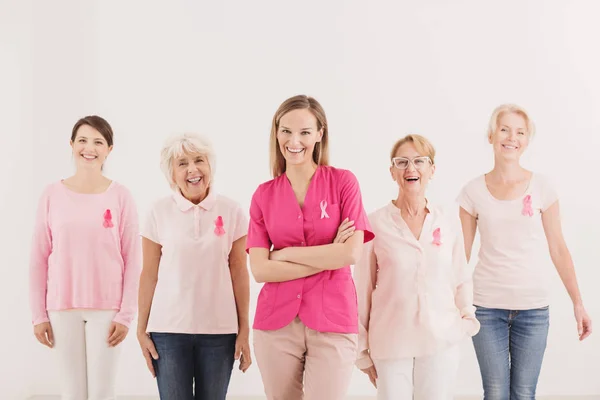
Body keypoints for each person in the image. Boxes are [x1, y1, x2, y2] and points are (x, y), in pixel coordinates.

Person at [458, 104, 593, 399]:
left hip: (533, 309)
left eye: (520, 132)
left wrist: (578, 303)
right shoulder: (472, 192)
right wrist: (450, 302)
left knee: (523, 393)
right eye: (504, 129)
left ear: (527, 140)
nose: (511, 137)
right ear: (492, 135)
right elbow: (461, 255)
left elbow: (558, 247)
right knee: (495, 393)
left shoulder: (543, 187)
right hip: (487, 308)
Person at [246, 95, 374, 400]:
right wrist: (329, 253)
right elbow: (261, 269)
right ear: (276, 133)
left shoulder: (344, 183)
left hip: (333, 319)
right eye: (286, 131)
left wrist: (286, 254)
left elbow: (350, 253)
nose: (294, 140)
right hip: (275, 324)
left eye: (305, 132)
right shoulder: (263, 195)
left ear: (320, 134)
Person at [355, 134, 480, 399]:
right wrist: (362, 351)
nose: (410, 168)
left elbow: (460, 275)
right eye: (402, 162)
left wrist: (467, 316)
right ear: (392, 172)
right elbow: (361, 290)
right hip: (390, 341)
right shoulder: (374, 223)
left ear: (431, 169)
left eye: (419, 161)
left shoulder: (447, 220)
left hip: (440, 339)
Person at [29, 115, 141, 400]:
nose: (88, 148)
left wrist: (126, 314)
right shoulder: (51, 194)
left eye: (98, 142)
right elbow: (38, 258)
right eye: (82, 140)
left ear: (109, 150)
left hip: (108, 309)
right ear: (71, 145)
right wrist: (38, 315)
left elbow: (133, 259)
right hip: (61, 307)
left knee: (103, 392)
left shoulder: (121, 196)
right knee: (72, 393)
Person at [137, 133, 251, 400]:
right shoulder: (157, 211)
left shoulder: (232, 210)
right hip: (168, 333)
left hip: (220, 333)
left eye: (199, 160)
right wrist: (141, 329)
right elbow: (149, 274)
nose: (192, 169)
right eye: (182, 163)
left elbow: (239, 272)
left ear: (210, 165)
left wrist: (244, 328)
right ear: (171, 174)